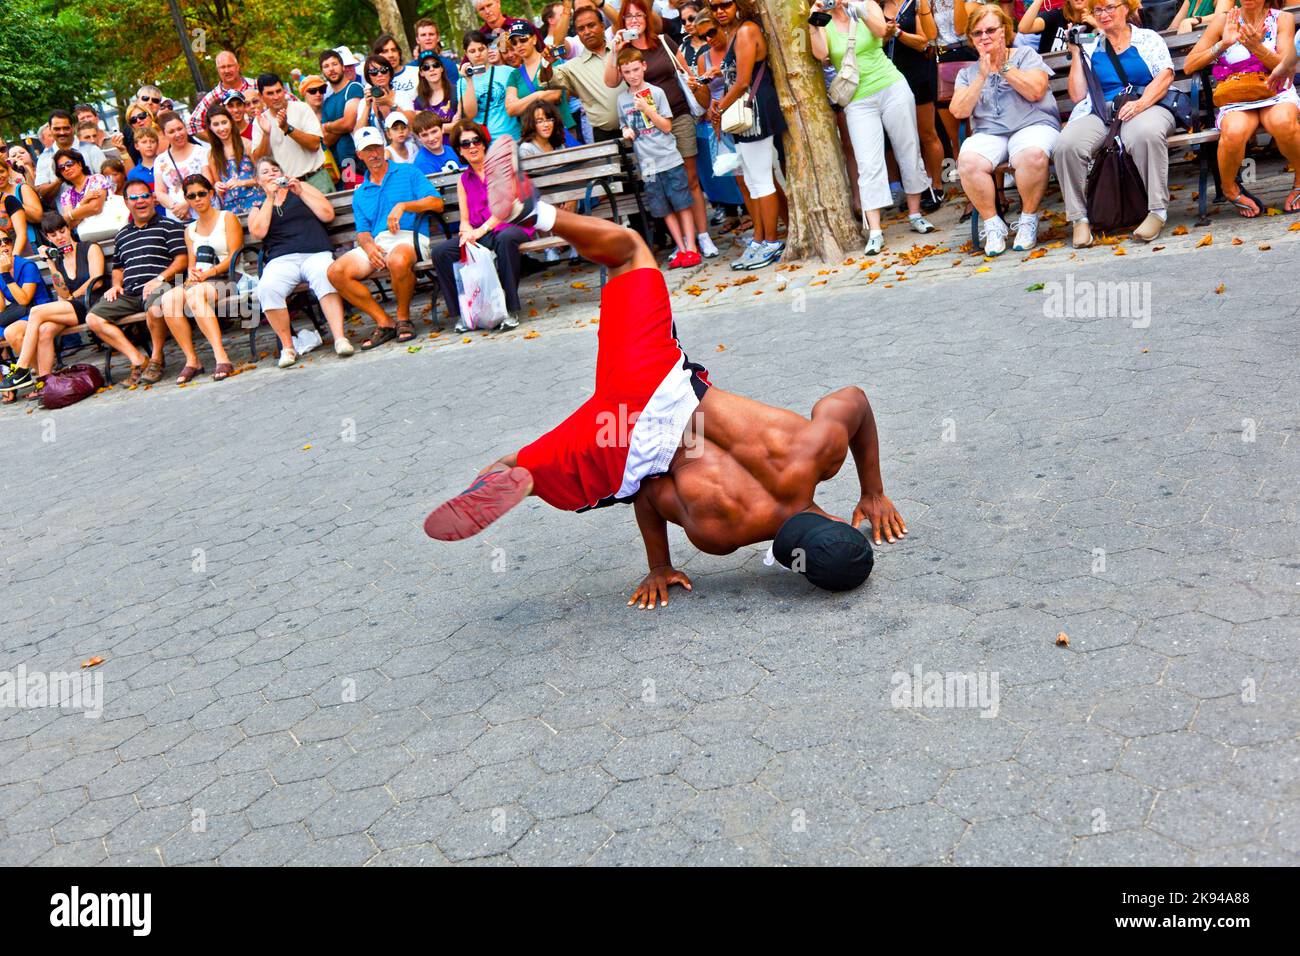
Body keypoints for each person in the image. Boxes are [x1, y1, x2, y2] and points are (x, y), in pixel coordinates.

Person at [424, 141, 908, 604]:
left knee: (630, 250)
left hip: (658, 381)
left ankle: (532, 213)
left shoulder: (817, 453)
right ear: (792, 564)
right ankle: (520, 473)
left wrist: (873, 491)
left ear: (845, 524)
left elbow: (855, 399)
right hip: (620, 435)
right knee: (522, 466)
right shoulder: (722, 533)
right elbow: (650, 491)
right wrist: (659, 565)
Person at [809, 1, 937, 256]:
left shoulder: (865, 4)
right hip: (856, 98)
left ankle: (915, 213)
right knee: (868, 162)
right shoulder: (823, 20)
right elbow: (821, 55)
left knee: (908, 147)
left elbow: (882, 31)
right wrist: (815, 20)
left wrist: (853, 7)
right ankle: (875, 230)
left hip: (891, 86)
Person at [1055, 0, 1176, 246]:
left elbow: (1165, 75)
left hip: (1146, 104)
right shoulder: (1091, 45)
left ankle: (1157, 211)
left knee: (1145, 134)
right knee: (1066, 145)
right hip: (1101, 111)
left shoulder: (1147, 38)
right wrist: (1078, 53)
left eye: (1110, 7)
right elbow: (1078, 96)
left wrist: (1140, 104)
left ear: (1126, 8)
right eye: (1098, 10)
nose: (1104, 14)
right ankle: (1079, 219)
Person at [607, 0, 717, 259]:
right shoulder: (622, 49)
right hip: (648, 129)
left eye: (638, 15)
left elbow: (686, 74)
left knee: (690, 178)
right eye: (628, 16)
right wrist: (615, 51)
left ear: (647, 17)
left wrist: (703, 95)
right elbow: (612, 82)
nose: (634, 20)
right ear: (622, 21)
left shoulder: (664, 41)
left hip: (677, 116)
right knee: (666, 185)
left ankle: (703, 236)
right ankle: (683, 244)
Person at [951, 4, 1060, 253]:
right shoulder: (968, 73)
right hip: (990, 133)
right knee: (967, 161)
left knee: (1031, 155)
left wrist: (1003, 67)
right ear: (971, 39)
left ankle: (1028, 221)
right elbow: (959, 111)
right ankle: (993, 225)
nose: (984, 37)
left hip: (1033, 124)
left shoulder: (1026, 56)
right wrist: (981, 76)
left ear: (1005, 31)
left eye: (990, 30)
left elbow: (1035, 91)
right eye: (977, 33)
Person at [326, 127, 445, 349]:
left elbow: (437, 203)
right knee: (336, 272)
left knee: (397, 260)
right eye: (367, 150)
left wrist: (404, 206)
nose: (373, 154)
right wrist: (369, 246)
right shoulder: (361, 191)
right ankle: (385, 322)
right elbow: (362, 232)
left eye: (376, 148)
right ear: (359, 155)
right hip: (379, 242)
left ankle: (403, 319)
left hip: (411, 236)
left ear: (384, 148)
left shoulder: (407, 172)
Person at [1184, 0, 1300, 215]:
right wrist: (1223, 44)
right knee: (1234, 132)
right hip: (1236, 95)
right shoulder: (1224, 20)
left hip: (1275, 91)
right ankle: (1230, 189)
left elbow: (1286, 66)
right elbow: (1189, 64)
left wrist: (1256, 47)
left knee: (1283, 122)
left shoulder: (1282, 19)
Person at [249, 158, 353, 368]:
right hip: (281, 259)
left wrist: (301, 192)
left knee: (324, 274)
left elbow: (327, 214)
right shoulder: (258, 205)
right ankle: (288, 347)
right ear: (258, 180)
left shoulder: (302, 187)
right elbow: (258, 232)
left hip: (314, 251)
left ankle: (340, 338)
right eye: (265, 172)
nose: (271, 174)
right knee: (267, 287)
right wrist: (270, 198)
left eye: (274, 169)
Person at [429, 121, 529, 332]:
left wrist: (480, 231)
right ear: (460, 151)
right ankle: (464, 313)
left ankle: (509, 309)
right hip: (480, 233)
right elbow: (464, 218)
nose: (472, 146)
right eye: (466, 144)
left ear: (484, 144)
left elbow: (505, 208)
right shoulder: (463, 180)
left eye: (476, 141)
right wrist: (465, 233)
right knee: (441, 252)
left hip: (509, 226)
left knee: (505, 240)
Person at [84, 183, 187, 385]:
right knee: (93, 319)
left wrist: (159, 279)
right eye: (134, 198)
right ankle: (138, 360)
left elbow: (181, 260)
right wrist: (115, 284)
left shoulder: (169, 226)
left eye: (145, 196)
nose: (140, 201)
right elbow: (118, 268)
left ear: (153, 199)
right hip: (130, 292)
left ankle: (157, 358)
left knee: (155, 307)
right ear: (126, 203)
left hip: (163, 286)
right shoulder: (122, 235)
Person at [0, 212, 105, 398]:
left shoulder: (89, 248)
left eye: (62, 231)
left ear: (69, 228)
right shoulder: (58, 258)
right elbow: (63, 293)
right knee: (45, 330)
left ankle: (22, 368)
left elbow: (96, 281)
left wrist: (73, 295)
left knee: (36, 312)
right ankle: (45, 384)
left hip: (92, 303)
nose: (60, 237)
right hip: (71, 307)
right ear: (48, 238)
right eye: (53, 235)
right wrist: (50, 262)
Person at [617, 48, 702, 267]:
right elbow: (624, 123)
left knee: (682, 203)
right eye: (627, 72)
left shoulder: (656, 93)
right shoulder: (622, 100)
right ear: (621, 73)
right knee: (662, 208)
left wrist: (647, 108)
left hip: (669, 159)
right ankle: (681, 249)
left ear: (644, 67)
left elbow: (666, 126)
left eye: (636, 69)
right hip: (648, 165)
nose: (633, 75)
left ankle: (692, 247)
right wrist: (625, 130)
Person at [157, 174, 241, 384]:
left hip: (228, 277)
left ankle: (221, 357)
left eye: (202, 194)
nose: (198, 199)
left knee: (194, 295)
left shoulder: (227, 217)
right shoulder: (190, 229)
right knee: (168, 300)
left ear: (211, 194)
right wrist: (193, 274)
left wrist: (209, 273)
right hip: (201, 281)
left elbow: (234, 255)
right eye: (192, 196)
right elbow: (191, 263)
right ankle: (192, 360)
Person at [883, 0, 947, 208]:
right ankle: (917, 189)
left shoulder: (916, 4)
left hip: (917, 74)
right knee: (905, 139)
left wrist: (897, 34)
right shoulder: (877, 6)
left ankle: (936, 186)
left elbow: (923, 42)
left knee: (927, 134)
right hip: (889, 79)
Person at [683, 12, 748, 211]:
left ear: (721, 26)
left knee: (757, 176)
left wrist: (723, 69)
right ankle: (755, 227)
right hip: (723, 120)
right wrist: (697, 88)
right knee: (739, 178)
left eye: (712, 32)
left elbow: (746, 80)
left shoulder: (737, 44)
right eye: (704, 37)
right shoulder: (704, 57)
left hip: (745, 112)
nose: (709, 39)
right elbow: (706, 100)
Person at [541, 6, 628, 143]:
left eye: (591, 25)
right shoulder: (572, 67)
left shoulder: (622, 48)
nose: (587, 32)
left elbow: (622, 23)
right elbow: (547, 81)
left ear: (602, 25)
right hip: (606, 137)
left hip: (641, 126)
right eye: (581, 29)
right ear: (577, 33)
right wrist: (546, 64)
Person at [251, 73, 333, 195]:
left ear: (284, 91)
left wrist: (287, 129)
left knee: (329, 214)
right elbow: (258, 160)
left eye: (279, 91)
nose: (276, 97)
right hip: (285, 186)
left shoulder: (302, 108)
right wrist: (266, 135)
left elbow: (315, 145)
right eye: (270, 93)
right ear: (261, 96)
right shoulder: (260, 121)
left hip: (316, 179)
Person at [511, 21, 582, 145]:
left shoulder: (550, 60)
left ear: (533, 39)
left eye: (523, 39)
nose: (518, 45)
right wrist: (539, 95)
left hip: (561, 131)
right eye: (514, 42)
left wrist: (522, 103)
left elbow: (555, 95)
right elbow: (511, 109)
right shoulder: (514, 74)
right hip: (534, 138)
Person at [457, 30, 527, 142]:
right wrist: (469, 80)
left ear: (488, 48)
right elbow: (470, 114)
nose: (477, 54)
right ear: (466, 53)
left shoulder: (508, 72)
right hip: (485, 142)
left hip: (514, 137)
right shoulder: (462, 82)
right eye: (472, 51)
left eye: (481, 49)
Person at [35, 110, 108, 207]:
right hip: (69, 218)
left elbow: (108, 181)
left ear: (73, 127)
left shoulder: (91, 149)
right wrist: (60, 178)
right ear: (50, 128)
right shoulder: (44, 158)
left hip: (100, 211)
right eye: (57, 129)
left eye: (66, 128)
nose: (62, 132)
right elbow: (42, 193)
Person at [0, 231, 52, 359]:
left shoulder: (26, 266)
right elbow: (1, 308)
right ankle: (7, 370)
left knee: (13, 333)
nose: (3, 245)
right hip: (19, 313)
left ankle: (39, 372)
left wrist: (5, 275)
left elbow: (24, 299)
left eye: (6, 241)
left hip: (39, 310)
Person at [154, 110, 212, 222]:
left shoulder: (202, 152)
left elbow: (208, 181)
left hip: (203, 214)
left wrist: (186, 204)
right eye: (171, 131)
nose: (177, 134)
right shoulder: (160, 160)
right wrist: (175, 207)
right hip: (177, 218)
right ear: (164, 134)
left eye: (180, 129)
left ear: (185, 128)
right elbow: (160, 192)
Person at [202, 104, 259, 215]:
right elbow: (217, 183)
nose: (222, 128)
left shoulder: (246, 144)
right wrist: (218, 186)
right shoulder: (212, 154)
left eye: (224, 122)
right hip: (231, 209)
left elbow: (262, 178)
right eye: (216, 124)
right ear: (210, 127)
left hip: (255, 204)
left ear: (231, 122)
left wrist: (241, 183)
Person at [320, 49, 365, 187]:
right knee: (349, 202)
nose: (331, 69)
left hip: (357, 161)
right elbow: (326, 140)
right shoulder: (327, 102)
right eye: (326, 66)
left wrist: (328, 126)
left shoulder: (353, 88)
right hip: (340, 166)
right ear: (322, 72)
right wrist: (339, 125)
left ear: (342, 66)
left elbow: (348, 124)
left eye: (334, 64)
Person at [189, 50, 256, 135]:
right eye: (222, 67)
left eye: (230, 66)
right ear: (218, 70)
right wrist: (218, 142)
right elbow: (193, 125)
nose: (227, 71)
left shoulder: (256, 86)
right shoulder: (212, 97)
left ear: (238, 67)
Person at [53, 149, 115, 234]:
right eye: (61, 167)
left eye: (69, 164)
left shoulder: (96, 179)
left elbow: (95, 207)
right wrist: (84, 201)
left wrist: (70, 215)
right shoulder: (66, 195)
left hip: (111, 229)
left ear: (80, 164)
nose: (66, 169)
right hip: (87, 238)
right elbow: (71, 224)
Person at [1019, 0, 1098, 53]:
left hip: (1084, 75)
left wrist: (1097, 25)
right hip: (1051, 74)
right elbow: (1023, 28)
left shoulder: (1096, 22)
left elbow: (1107, 45)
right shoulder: (1056, 16)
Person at [0, 154, 40, 258]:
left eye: (1, 171)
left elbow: (38, 216)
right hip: (4, 249)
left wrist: (13, 204)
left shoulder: (22, 189)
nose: (0, 176)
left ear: (8, 172)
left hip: (30, 244)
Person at [359, 54, 405, 144]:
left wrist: (390, 103)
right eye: (374, 72)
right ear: (369, 77)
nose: (379, 74)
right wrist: (367, 107)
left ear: (389, 72)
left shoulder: (401, 95)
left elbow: (412, 124)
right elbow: (359, 134)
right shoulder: (364, 102)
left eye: (383, 70)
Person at [373, 33, 422, 111]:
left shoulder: (417, 72)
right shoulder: (374, 80)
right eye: (385, 51)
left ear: (399, 53)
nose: (391, 55)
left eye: (393, 50)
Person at [413, 51, 458, 132]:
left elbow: (462, 123)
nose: (432, 69)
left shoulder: (456, 92)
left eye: (435, 65)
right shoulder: (419, 101)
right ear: (421, 73)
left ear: (442, 68)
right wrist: (449, 127)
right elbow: (422, 131)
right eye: (426, 67)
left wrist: (433, 128)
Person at [125, 126, 161, 196]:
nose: (149, 145)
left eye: (152, 141)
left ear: (157, 144)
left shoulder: (166, 165)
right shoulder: (133, 174)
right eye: (144, 142)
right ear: (136, 146)